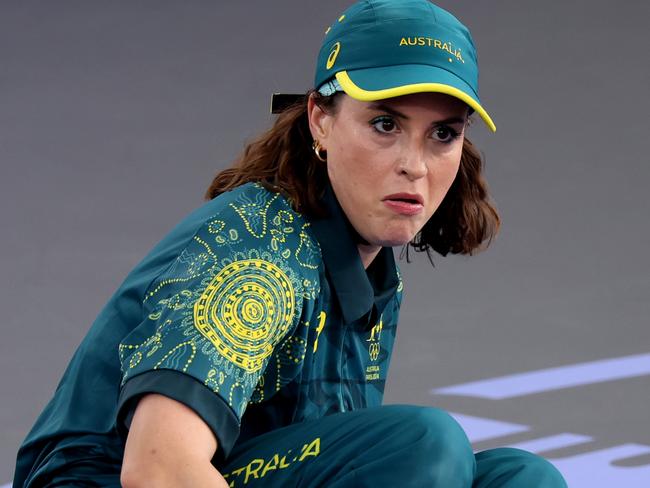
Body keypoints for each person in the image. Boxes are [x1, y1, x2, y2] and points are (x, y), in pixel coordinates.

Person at [14, 0, 568, 486]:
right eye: (384, 124)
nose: (414, 166)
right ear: (320, 121)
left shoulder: (366, 264)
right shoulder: (258, 253)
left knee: (524, 478)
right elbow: (158, 471)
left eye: (443, 134)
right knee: (424, 446)